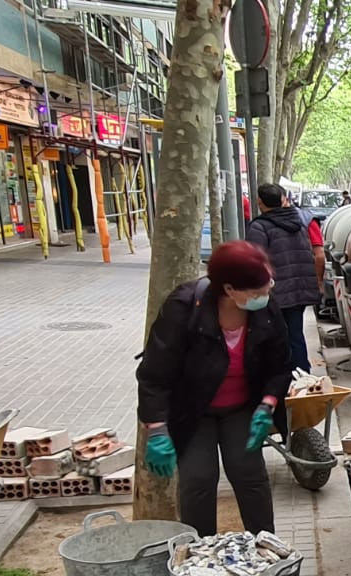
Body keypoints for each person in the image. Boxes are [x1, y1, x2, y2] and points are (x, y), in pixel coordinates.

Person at [136, 241, 292, 538]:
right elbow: (154, 374)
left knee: (249, 474)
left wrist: (267, 404)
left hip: (241, 407)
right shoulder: (184, 308)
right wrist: (156, 429)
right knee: (197, 479)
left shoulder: (266, 308)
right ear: (229, 290)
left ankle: (266, 548)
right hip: (193, 411)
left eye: (268, 284)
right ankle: (200, 553)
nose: (266, 293)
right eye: (257, 290)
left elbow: (280, 365)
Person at [245, 183, 325, 372]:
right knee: (295, 334)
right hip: (301, 289)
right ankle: (302, 377)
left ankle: (280, 378)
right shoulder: (305, 220)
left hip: (273, 293)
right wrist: (318, 283)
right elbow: (319, 254)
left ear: (260, 202)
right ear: (283, 199)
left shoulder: (259, 227)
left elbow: (254, 262)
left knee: (273, 336)